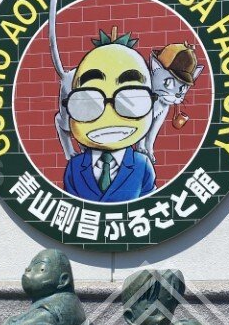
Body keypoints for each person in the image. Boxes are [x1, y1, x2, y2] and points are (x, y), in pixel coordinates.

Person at [62, 29, 157, 202]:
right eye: (90, 101)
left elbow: (150, 204)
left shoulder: (142, 165)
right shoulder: (74, 167)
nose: (109, 114)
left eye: (129, 99)